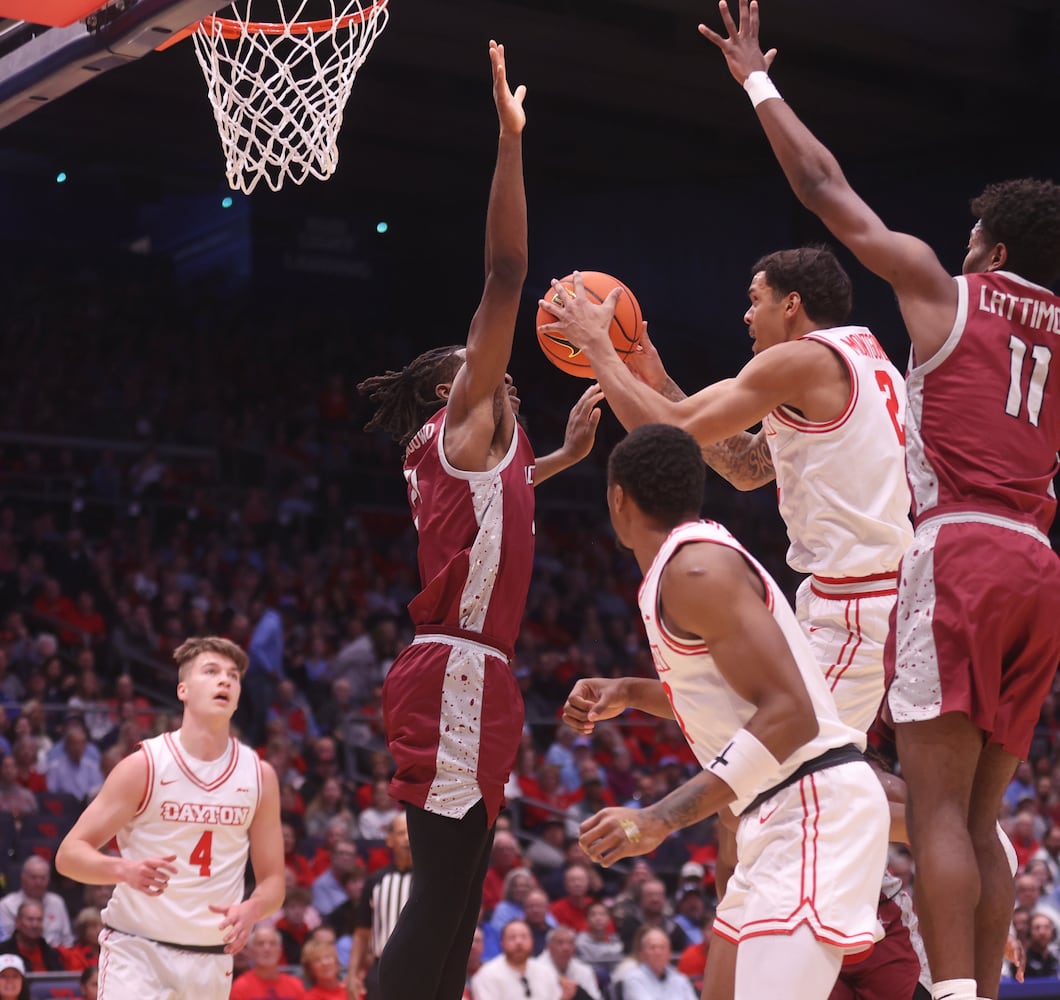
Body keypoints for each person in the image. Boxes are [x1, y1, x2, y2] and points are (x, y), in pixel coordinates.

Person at [698, 5, 1060, 999]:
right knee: (983, 815)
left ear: (987, 249)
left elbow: (826, 192)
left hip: (959, 552)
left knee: (936, 808)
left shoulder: (947, 294)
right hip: (1039, 561)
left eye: (972, 234)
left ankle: (945, 993)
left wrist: (756, 83)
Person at [356, 41, 601, 1000]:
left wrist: (568, 460)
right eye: (472, 359)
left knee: (461, 900)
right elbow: (506, 272)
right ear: (449, 390)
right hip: (456, 664)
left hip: (471, 671)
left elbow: (493, 506)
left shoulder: (469, 456)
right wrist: (509, 140)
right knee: (446, 893)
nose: (487, 359)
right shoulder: (462, 416)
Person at [563, 424, 889, 1000]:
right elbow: (737, 696)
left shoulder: (696, 572)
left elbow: (792, 714)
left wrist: (658, 818)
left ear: (618, 499)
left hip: (809, 807)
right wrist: (631, 692)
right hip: (773, 815)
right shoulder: (689, 564)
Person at [539, 248, 912, 737]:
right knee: (793, 777)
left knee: (789, 777)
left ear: (791, 304)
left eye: (755, 300)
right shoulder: (861, 353)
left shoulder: (799, 361)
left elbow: (669, 432)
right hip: (869, 591)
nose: (746, 314)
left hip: (859, 601)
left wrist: (598, 347)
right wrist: (659, 381)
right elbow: (747, 466)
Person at [54, 636, 286, 999]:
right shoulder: (145, 765)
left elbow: (273, 880)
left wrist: (253, 908)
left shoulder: (260, 776)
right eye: (211, 672)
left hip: (211, 958)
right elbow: (68, 854)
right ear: (183, 690)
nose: (225, 680)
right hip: (138, 951)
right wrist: (123, 870)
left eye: (233, 676)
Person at [347, 812, 413, 1000]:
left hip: (421, 969)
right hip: (382, 970)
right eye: (401, 833)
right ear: (389, 840)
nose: (407, 838)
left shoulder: (431, 882)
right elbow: (361, 933)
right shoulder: (375, 881)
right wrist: (352, 974)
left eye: (411, 832)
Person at [470, 920, 560, 1000]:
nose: (519, 942)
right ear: (502, 943)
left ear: (532, 941)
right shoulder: (486, 975)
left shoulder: (546, 972)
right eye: (512, 937)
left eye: (524, 937)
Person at [0, 856, 74, 948]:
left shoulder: (57, 902)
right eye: (34, 877)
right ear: (23, 878)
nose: (38, 882)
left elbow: (67, 940)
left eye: (43, 878)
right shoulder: (6, 905)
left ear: (48, 880)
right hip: (20, 956)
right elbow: (5, 942)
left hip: (55, 956)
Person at [229, 925, 306, 1000]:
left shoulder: (296, 986)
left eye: (272, 943)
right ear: (250, 951)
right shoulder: (240, 987)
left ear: (280, 950)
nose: (267, 949)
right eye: (260, 943)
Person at [620, 927, 697, 1000]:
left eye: (662, 947)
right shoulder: (633, 979)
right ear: (642, 953)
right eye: (652, 947)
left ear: (669, 953)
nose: (658, 952)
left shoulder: (681, 979)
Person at [531, 925, 600, 1000]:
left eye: (570, 943)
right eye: (560, 943)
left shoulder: (585, 971)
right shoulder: (535, 970)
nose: (566, 948)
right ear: (549, 946)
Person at [0, 900, 64, 972]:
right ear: (17, 922)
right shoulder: (2, 953)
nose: (35, 925)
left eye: (39, 920)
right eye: (30, 919)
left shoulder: (51, 954)